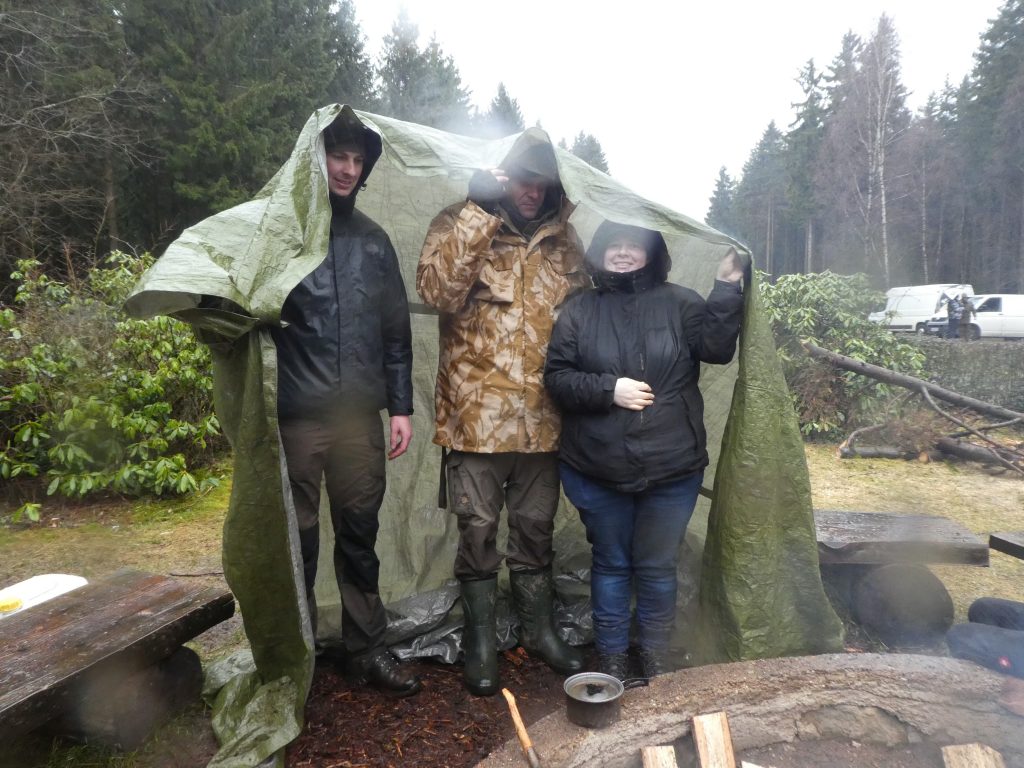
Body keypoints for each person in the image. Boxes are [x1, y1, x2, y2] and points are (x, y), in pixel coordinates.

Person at [416, 141, 588, 696]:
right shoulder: (457, 221)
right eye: (521, 179)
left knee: (536, 529)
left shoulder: (565, 242)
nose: (531, 191)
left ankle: (538, 632)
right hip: (476, 421)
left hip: (544, 421)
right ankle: (481, 642)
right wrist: (479, 212)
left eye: (541, 182)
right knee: (478, 532)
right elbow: (438, 291)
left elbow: (586, 320)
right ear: (501, 177)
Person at [543, 221, 744, 681]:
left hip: (672, 467)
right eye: (613, 245)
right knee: (611, 563)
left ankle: (654, 654)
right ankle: (613, 656)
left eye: (633, 245)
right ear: (599, 253)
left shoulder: (681, 302)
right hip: (596, 466)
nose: (622, 252)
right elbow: (557, 379)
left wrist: (726, 287)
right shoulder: (580, 309)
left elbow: (716, 349)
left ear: (652, 254)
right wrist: (608, 389)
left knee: (657, 565)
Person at [271, 110, 421, 696]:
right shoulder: (283, 235)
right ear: (317, 158)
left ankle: (366, 650)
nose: (348, 169)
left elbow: (396, 333)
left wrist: (401, 407)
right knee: (298, 541)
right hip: (297, 419)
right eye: (339, 156)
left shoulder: (374, 241)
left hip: (359, 421)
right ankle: (296, 660)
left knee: (360, 535)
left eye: (358, 160)